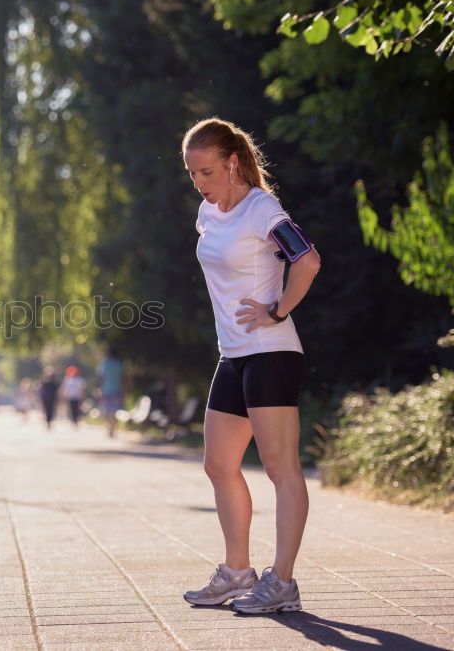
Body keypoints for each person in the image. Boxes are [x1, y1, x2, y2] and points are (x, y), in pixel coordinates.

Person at [180, 118, 321, 614]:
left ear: (233, 162)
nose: (200, 183)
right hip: (233, 355)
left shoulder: (263, 209)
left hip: (272, 352)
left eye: (208, 171)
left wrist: (277, 310)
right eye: (193, 173)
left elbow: (306, 259)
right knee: (219, 464)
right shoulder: (207, 213)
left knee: (280, 468)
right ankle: (237, 571)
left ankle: (281, 581)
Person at [97, 347, 125, 438]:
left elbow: (101, 378)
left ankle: (110, 427)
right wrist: (124, 390)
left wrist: (100, 389)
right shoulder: (119, 364)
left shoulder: (104, 364)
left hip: (106, 390)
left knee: (107, 410)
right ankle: (112, 427)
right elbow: (123, 378)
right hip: (117, 390)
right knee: (115, 410)